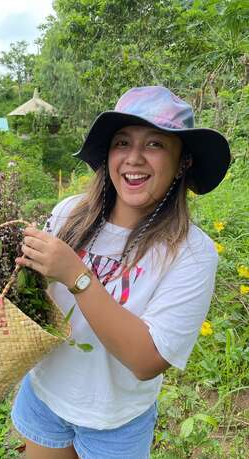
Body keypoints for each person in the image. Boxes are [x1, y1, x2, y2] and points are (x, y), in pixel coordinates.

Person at [12, 86, 231, 459]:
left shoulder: (192, 252)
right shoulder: (69, 213)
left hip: (115, 421)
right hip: (45, 395)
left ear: (183, 162)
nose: (133, 158)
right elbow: (35, 298)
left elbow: (147, 361)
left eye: (155, 145)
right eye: (122, 142)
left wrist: (77, 276)